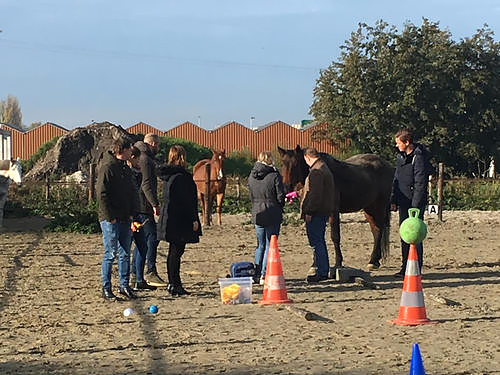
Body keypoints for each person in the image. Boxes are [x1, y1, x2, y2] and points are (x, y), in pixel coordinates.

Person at [157, 145, 202, 296]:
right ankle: (175, 283)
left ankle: (173, 282)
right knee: (176, 252)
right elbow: (187, 201)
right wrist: (194, 219)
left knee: (173, 252)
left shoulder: (168, 176)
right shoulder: (182, 177)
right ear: (182, 157)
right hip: (180, 219)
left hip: (170, 217)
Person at [97, 138, 138, 301]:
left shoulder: (125, 168)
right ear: (123, 150)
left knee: (124, 253)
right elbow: (102, 194)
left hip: (125, 217)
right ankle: (106, 287)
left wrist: (131, 212)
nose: (131, 153)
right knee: (110, 253)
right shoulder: (108, 168)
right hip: (111, 219)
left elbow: (131, 191)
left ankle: (124, 285)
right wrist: (110, 216)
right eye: (130, 149)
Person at [391, 129, 431, 278]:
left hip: (414, 204)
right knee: (404, 234)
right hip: (403, 202)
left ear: (407, 142)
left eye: (398, 143)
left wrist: (415, 205)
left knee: (415, 235)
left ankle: (416, 266)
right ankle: (405, 266)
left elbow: (420, 183)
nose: (397, 146)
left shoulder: (418, 158)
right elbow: (396, 179)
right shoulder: (400, 158)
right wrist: (394, 199)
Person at [131, 133, 166, 287]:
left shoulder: (142, 157)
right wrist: (154, 203)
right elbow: (146, 184)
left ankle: (135, 274)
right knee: (152, 237)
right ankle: (149, 271)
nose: (158, 148)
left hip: (139, 205)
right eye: (157, 145)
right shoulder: (145, 159)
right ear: (152, 143)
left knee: (141, 241)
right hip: (143, 206)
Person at [248, 151, 286, 284]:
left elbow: (251, 196)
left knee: (260, 245)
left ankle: (257, 273)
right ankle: (264, 274)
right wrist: (282, 204)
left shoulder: (251, 176)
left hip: (257, 212)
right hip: (272, 212)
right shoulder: (275, 176)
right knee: (271, 245)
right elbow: (280, 196)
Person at [300, 147, 336, 283]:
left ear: (307, 157)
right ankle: (322, 269)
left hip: (316, 212)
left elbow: (315, 194)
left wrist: (309, 211)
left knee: (317, 242)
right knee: (319, 241)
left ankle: (321, 271)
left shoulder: (316, 171)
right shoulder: (323, 167)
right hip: (322, 210)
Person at [127, 146, 156, 291]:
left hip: (137, 210)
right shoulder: (130, 173)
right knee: (140, 245)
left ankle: (138, 278)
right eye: (137, 159)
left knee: (141, 245)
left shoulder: (135, 171)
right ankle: (135, 278)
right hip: (135, 211)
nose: (139, 162)